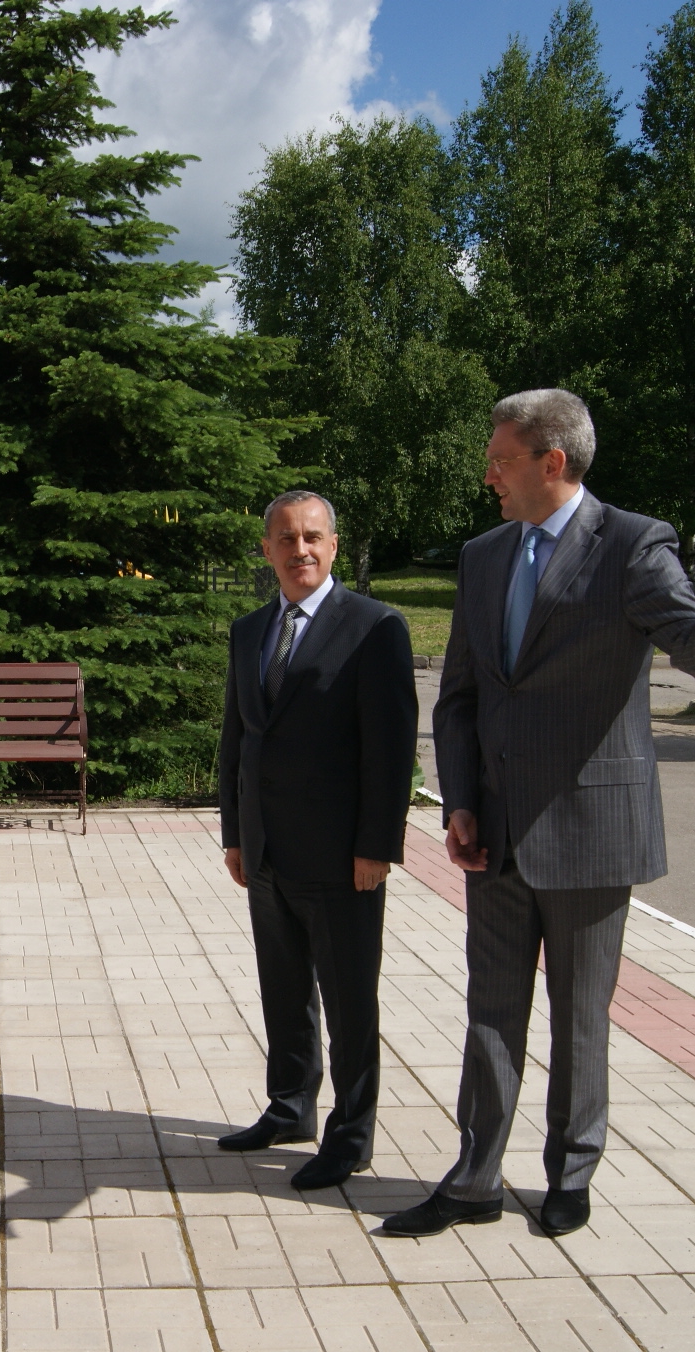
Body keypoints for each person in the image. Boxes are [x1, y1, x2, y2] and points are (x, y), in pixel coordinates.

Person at [390, 389, 695, 1240]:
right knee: (489, 1012)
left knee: (581, 1015)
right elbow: (459, 695)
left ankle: (570, 1172)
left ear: (551, 462)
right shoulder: (482, 555)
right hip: (493, 830)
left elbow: (693, 643)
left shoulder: (633, 544)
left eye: (500, 459)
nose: (488, 474)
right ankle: (473, 1178)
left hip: (590, 831)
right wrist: (459, 798)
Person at [215, 490, 418, 1192]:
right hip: (269, 852)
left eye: (312, 537)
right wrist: (236, 834)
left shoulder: (374, 627)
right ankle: (290, 1105)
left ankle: (351, 1135)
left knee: (350, 1001)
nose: (299, 549)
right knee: (284, 990)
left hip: (341, 857)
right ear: (266, 548)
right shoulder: (249, 631)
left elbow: (390, 752)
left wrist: (377, 846)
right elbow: (237, 740)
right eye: (285, 538)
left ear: (333, 545)